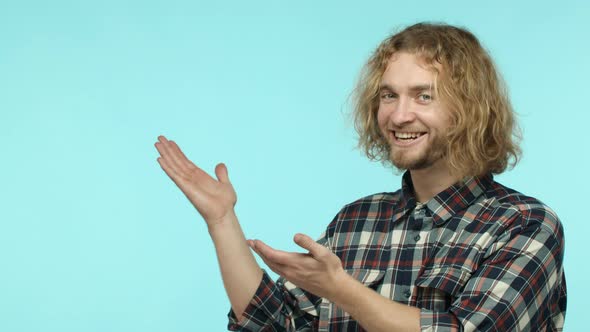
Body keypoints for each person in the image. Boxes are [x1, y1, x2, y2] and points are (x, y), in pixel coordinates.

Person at [154, 22, 566, 331]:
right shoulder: (356, 220)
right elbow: (271, 324)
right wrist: (222, 221)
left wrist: (343, 290)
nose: (399, 115)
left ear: (472, 108)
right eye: (389, 95)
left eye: (424, 95)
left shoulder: (523, 224)